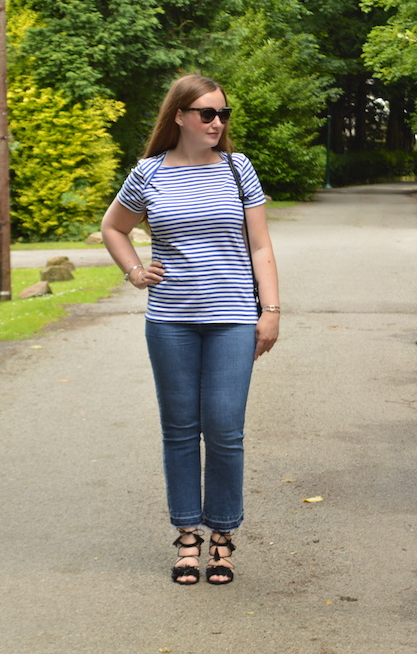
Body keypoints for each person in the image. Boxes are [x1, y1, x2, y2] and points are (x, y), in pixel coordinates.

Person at [100, 74, 280, 586]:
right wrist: (135, 271)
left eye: (223, 114)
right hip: (171, 321)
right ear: (179, 116)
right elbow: (114, 227)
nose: (217, 123)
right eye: (207, 113)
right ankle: (186, 536)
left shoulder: (238, 169)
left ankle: (222, 534)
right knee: (179, 431)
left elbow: (260, 247)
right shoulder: (149, 173)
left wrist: (270, 310)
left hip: (233, 319)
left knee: (224, 429)